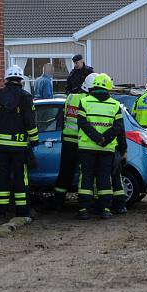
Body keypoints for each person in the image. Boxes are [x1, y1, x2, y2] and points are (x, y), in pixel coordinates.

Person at [0, 65, 39, 217]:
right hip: (19, 147)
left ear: (6, 79)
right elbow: (30, 122)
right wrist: (35, 141)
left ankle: (1, 210)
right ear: (21, 80)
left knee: (1, 177)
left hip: (1, 146)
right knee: (20, 178)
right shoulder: (26, 97)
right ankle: (22, 211)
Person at [76, 73, 126, 220]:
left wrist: (96, 138)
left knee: (86, 178)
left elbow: (82, 124)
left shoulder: (84, 102)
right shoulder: (115, 104)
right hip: (106, 148)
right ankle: (105, 208)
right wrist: (104, 139)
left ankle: (84, 209)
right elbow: (118, 127)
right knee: (104, 178)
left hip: (87, 147)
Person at [51, 72, 98, 209]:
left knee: (65, 172)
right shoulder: (88, 102)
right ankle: (87, 202)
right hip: (82, 142)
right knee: (86, 173)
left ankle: (58, 202)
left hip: (67, 141)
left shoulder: (71, 97)